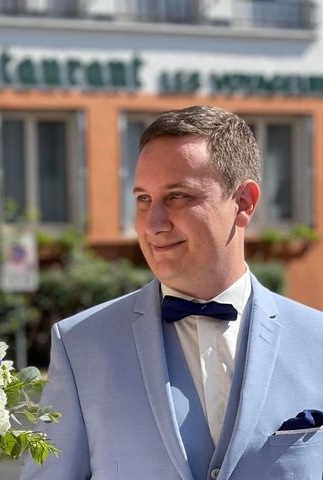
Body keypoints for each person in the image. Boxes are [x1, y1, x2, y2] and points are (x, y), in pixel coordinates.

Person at [21, 105, 323, 479]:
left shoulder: (317, 342)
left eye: (177, 196)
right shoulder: (80, 345)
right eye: (143, 199)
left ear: (244, 203)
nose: (154, 224)